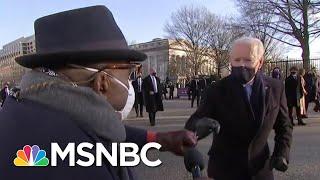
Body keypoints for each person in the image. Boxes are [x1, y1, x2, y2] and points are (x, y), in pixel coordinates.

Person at [0, 6, 197, 180]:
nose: (130, 81)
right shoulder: (77, 164)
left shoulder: (28, 102)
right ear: (102, 82)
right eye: (128, 72)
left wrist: (159, 140)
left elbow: (100, 132)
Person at [185, 37, 293, 180]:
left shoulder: (276, 88)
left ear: (260, 62)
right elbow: (192, 125)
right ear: (231, 61)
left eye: (248, 60)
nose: (241, 65)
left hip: (261, 170)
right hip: (224, 170)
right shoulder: (215, 90)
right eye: (237, 60)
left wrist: (282, 153)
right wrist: (199, 125)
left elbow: (284, 126)